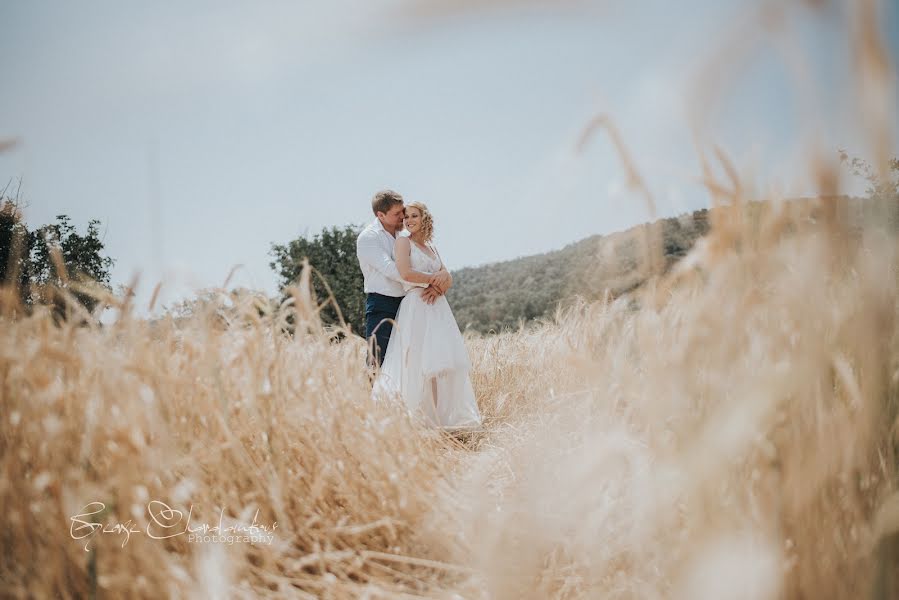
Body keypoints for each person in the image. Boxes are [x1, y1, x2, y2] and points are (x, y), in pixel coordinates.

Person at [372, 202, 482, 430]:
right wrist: (435, 280)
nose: (408, 220)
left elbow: (447, 275)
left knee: (440, 363)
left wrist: (440, 287)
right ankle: (419, 419)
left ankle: (441, 419)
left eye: (414, 216)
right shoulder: (404, 242)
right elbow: (405, 273)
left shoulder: (432, 247)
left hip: (437, 307)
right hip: (417, 305)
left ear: (424, 219)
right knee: (417, 362)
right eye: (406, 217)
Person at [356, 190, 452, 368]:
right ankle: (372, 396)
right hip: (382, 305)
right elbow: (394, 270)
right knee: (378, 361)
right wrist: (433, 280)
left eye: (403, 212)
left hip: (409, 304)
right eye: (398, 213)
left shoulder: (404, 235)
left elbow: (429, 265)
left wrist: (441, 283)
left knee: (409, 364)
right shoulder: (369, 238)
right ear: (380, 215)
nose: (403, 217)